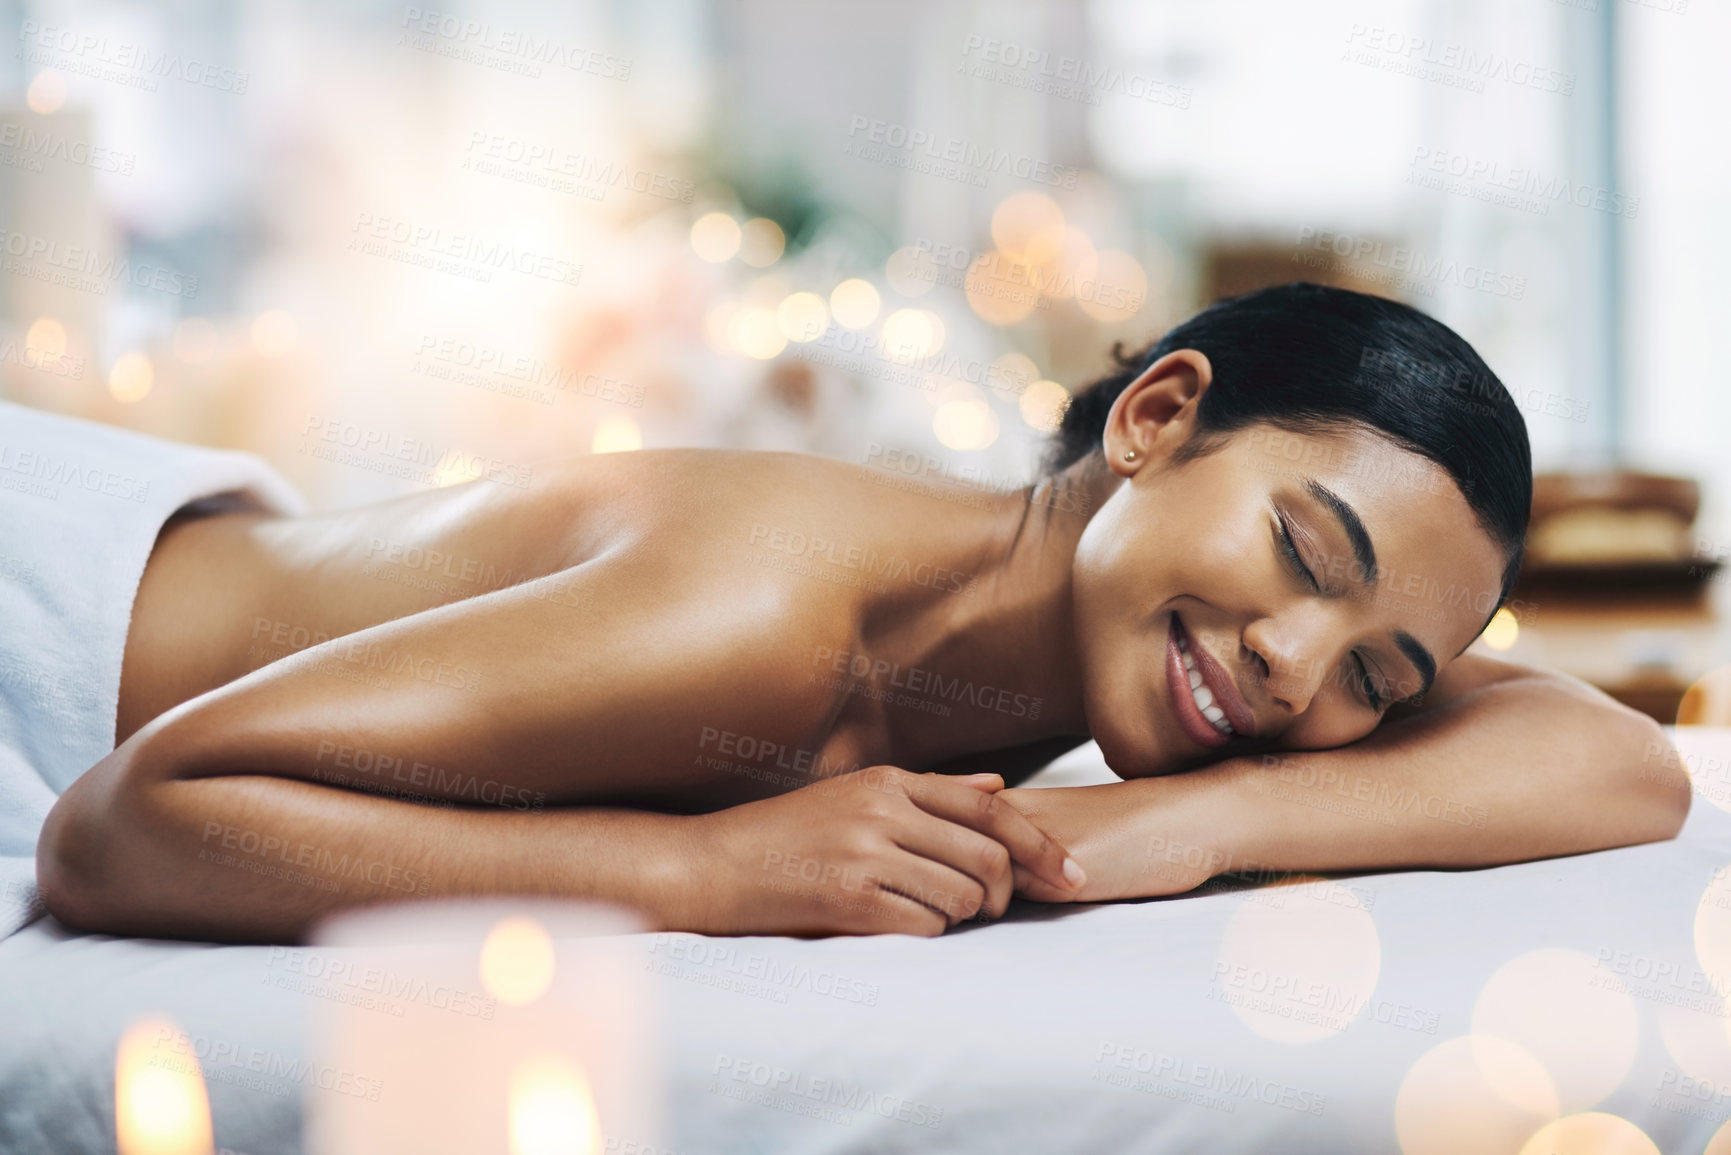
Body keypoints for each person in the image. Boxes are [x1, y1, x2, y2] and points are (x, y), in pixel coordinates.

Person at [36, 283, 1688, 943]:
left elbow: (1623, 766)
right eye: (1305, 556)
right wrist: (698, 870)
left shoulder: (1151, 688)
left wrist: (1193, 829)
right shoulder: (765, 625)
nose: (1293, 664)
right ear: (1155, 419)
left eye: (1382, 681)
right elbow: (124, 826)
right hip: (48, 618)